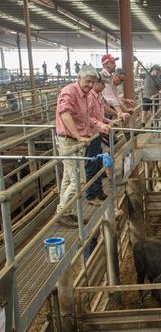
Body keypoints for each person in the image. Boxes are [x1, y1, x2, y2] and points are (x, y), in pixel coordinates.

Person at [55, 66, 106, 228]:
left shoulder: (84, 96)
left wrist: (99, 125)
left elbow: (87, 117)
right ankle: (62, 212)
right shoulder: (69, 91)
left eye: (93, 82)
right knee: (79, 180)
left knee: (69, 178)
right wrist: (78, 136)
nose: (90, 84)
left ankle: (65, 212)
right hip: (68, 140)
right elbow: (65, 114)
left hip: (76, 140)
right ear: (79, 78)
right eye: (88, 81)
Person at [85, 78, 113, 206]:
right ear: (96, 83)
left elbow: (99, 116)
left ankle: (99, 191)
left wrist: (107, 121)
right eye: (102, 84)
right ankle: (91, 196)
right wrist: (101, 124)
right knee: (91, 164)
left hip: (97, 133)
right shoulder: (89, 97)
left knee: (98, 163)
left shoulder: (99, 97)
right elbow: (88, 117)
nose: (103, 86)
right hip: (90, 134)